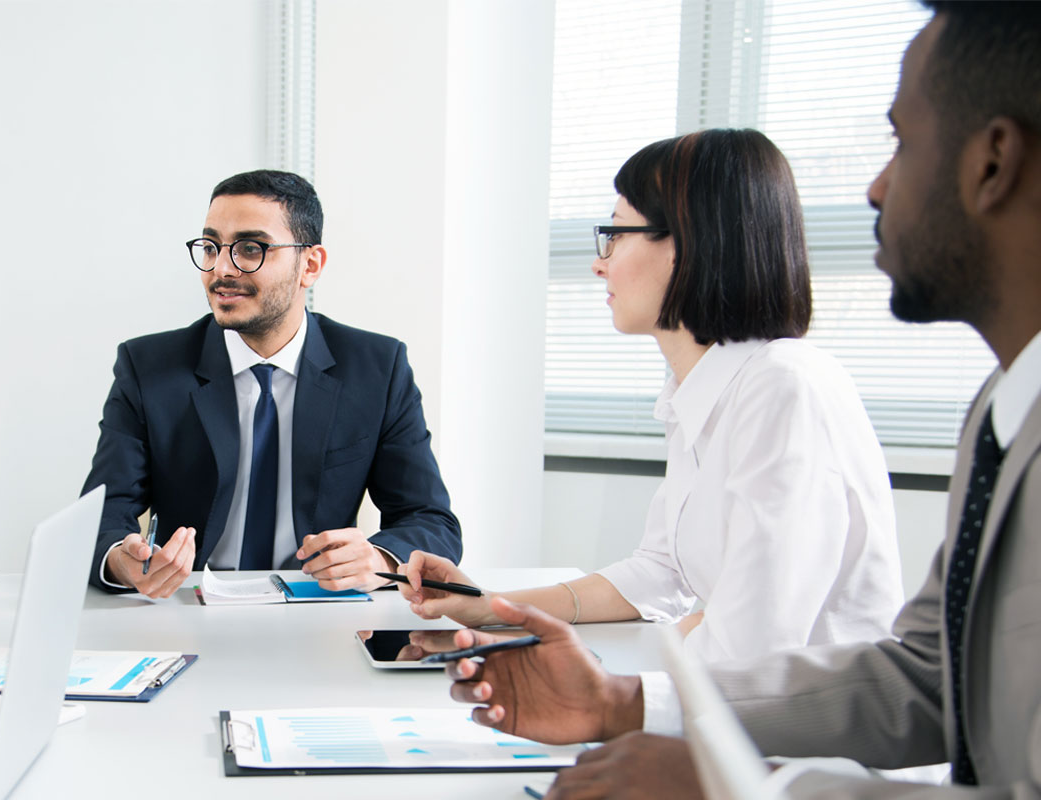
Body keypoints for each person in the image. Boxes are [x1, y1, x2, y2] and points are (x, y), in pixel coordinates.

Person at [444, 2, 1041, 796]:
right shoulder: (1004, 411)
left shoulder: (786, 386)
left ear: (992, 161)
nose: (874, 185)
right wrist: (622, 701)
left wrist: (738, 786)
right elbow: (927, 680)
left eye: (901, 140)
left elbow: (757, 637)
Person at [401, 129, 903, 663]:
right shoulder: (700, 390)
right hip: (741, 713)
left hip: (798, 732)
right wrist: (489, 606)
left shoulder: (783, 388)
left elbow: (753, 646)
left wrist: (635, 671)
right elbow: (660, 573)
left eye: (615, 235)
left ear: (690, 243)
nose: (600, 263)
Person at [82, 169, 462, 597]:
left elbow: (430, 521)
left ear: (310, 265)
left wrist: (377, 559)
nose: (221, 269)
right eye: (211, 247)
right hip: (188, 606)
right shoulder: (147, 366)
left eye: (250, 249)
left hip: (319, 608)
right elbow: (101, 511)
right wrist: (121, 557)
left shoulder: (376, 368)